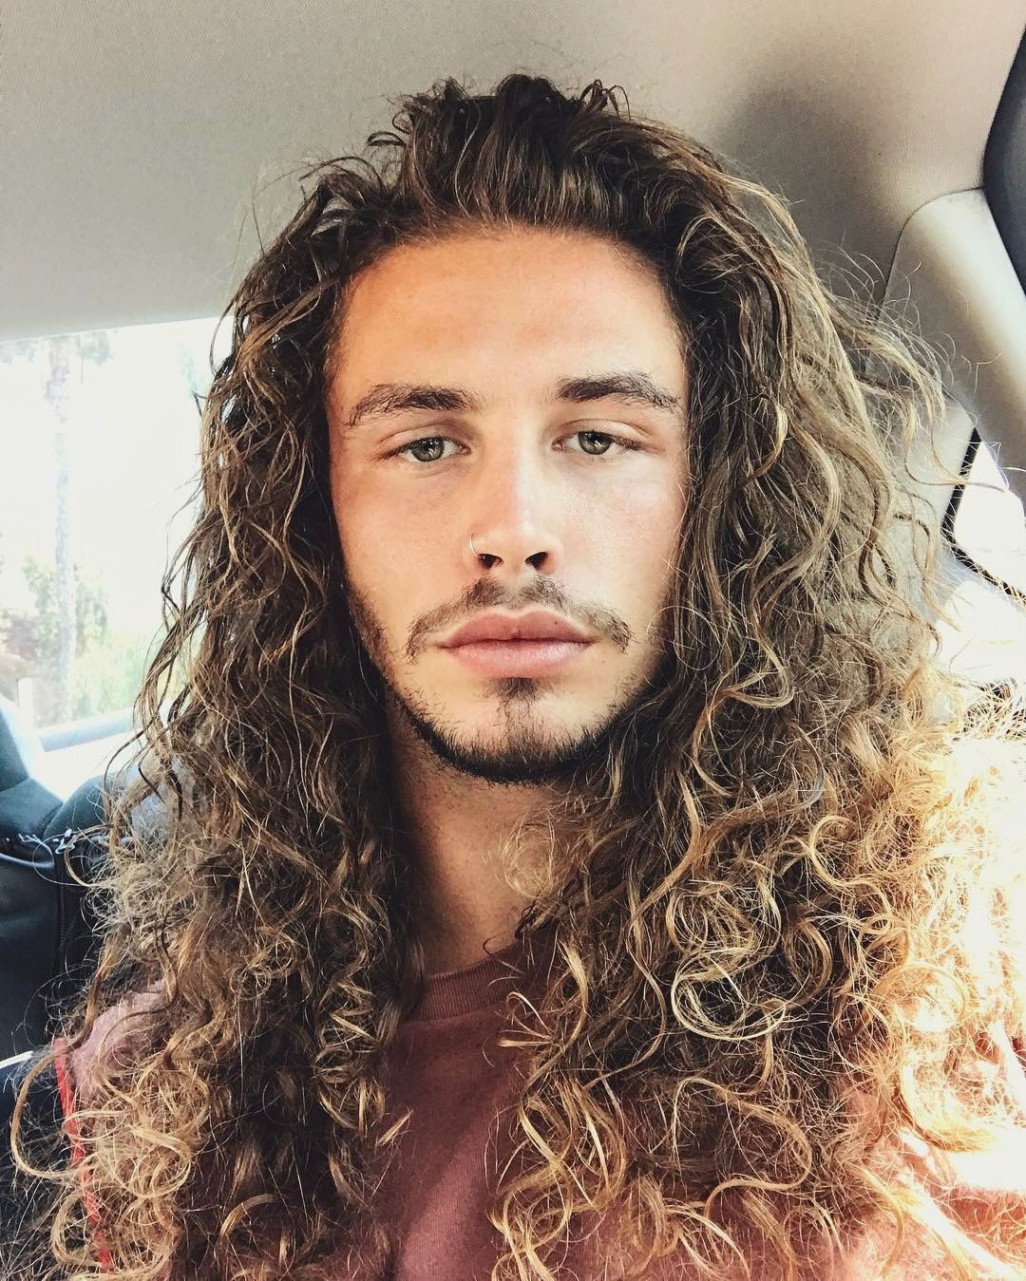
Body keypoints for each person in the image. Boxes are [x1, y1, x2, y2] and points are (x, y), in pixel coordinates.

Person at [5, 71, 1026, 1281]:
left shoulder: (951, 979)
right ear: (316, 515)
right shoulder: (159, 1102)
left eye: (598, 437)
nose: (514, 530)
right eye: (427, 443)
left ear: (713, 495)